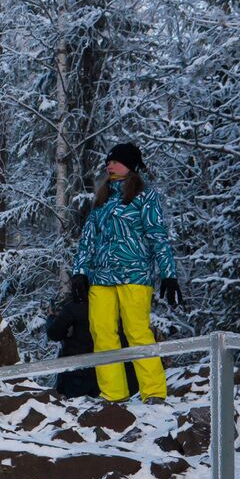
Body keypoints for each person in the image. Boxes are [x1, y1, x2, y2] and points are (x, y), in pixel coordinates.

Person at [71, 142, 181, 402]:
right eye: (108, 162)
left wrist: (169, 274)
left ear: (130, 165)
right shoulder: (102, 200)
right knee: (102, 333)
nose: (109, 165)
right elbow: (87, 240)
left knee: (137, 332)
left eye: (116, 161)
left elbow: (157, 236)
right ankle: (113, 395)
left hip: (135, 275)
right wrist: (80, 272)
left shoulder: (145, 197)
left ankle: (154, 393)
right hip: (101, 278)